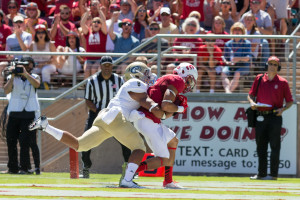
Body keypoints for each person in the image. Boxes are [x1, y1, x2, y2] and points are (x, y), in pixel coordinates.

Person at [29, 62, 165, 188]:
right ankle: (127, 180)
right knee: (139, 147)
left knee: (79, 145)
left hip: (105, 117)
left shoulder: (133, 87)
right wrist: (160, 111)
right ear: (136, 74)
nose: (149, 76)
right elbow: (145, 101)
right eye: (146, 73)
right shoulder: (135, 83)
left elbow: (130, 111)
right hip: (116, 116)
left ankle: (46, 126)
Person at [132, 62, 198, 189]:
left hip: (150, 118)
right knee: (164, 159)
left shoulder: (170, 82)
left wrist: (177, 108)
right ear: (185, 75)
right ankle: (130, 171)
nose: (190, 84)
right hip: (148, 119)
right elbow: (166, 105)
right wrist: (180, 108)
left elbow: (164, 115)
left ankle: (168, 181)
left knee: (173, 141)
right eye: (190, 80)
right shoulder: (178, 80)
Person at [80, 56, 131, 178]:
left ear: (112, 67)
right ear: (100, 66)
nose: (107, 68)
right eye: (105, 65)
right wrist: (99, 111)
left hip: (116, 116)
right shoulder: (92, 81)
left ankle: (130, 170)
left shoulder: (119, 81)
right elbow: (88, 100)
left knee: (127, 141)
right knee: (86, 140)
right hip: (97, 115)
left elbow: (124, 97)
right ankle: (86, 167)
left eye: (109, 65)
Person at [247, 56, 293, 180]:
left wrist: (282, 109)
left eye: (275, 64)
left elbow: (289, 102)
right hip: (261, 116)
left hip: (275, 117)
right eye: (270, 63)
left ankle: (273, 175)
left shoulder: (283, 82)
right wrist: (252, 103)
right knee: (260, 147)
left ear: (278, 67)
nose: (272, 66)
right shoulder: (259, 78)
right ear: (267, 65)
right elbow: (250, 95)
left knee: (274, 147)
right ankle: (261, 174)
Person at [3, 56, 40, 174]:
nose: (25, 67)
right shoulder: (11, 77)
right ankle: (12, 167)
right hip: (15, 112)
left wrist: (25, 74)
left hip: (28, 113)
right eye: (23, 65)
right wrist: (13, 76)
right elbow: (6, 90)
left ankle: (25, 168)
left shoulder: (34, 77)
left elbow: (37, 84)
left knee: (25, 142)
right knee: (11, 140)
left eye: (27, 65)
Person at [221, 22, 251, 93]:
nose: (237, 31)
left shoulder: (247, 43)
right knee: (223, 72)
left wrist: (239, 59)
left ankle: (228, 93)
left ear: (242, 32)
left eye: (239, 30)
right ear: (232, 31)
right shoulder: (228, 44)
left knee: (237, 73)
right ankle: (228, 93)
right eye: (235, 29)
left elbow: (248, 58)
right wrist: (227, 62)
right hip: (231, 66)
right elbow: (225, 57)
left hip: (243, 66)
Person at [80, 7, 107, 79]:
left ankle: (95, 89)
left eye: (98, 22)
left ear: (101, 25)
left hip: (99, 58)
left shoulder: (103, 33)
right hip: (89, 59)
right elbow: (82, 23)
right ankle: (87, 89)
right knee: (86, 71)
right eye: (94, 22)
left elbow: (104, 21)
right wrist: (87, 12)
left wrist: (99, 10)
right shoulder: (88, 32)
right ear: (91, 24)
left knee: (94, 70)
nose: (96, 23)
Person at [30, 24, 57, 90]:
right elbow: (30, 59)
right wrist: (35, 65)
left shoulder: (50, 44)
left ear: (45, 34)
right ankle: (34, 88)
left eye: (42, 32)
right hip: (36, 66)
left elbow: (55, 58)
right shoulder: (32, 44)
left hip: (49, 65)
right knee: (33, 71)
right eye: (38, 32)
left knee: (45, 70)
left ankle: (46, 87)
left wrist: (44, 64)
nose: (40, 34)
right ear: (36, 34)